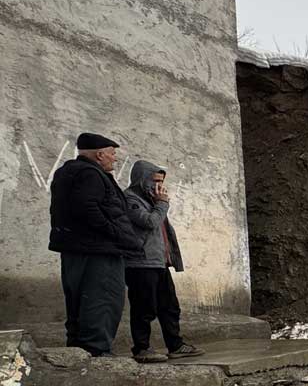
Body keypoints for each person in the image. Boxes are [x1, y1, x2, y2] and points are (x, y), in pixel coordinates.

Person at [48, 132, 143, 357]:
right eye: (112, 153)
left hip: (76, 249)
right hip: (99, 251)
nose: (115, 158)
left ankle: (78, 353)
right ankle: (97, 352)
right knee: (103, 300)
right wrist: (116, 233)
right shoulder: (91, 174)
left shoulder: (67, 172)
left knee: (79, 301)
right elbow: (88, 209)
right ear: (100, 154)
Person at [122, 160, 203, 363]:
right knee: (144, 308)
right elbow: (149, 222)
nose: (159, 185)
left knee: (169, 306)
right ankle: (142, 348)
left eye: (161, 181)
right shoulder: (130, 199)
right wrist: (162, 204)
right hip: (140, 264)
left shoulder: (153, 201)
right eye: (155, 180)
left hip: (159, 262)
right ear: (142, 179)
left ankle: (175, 345)